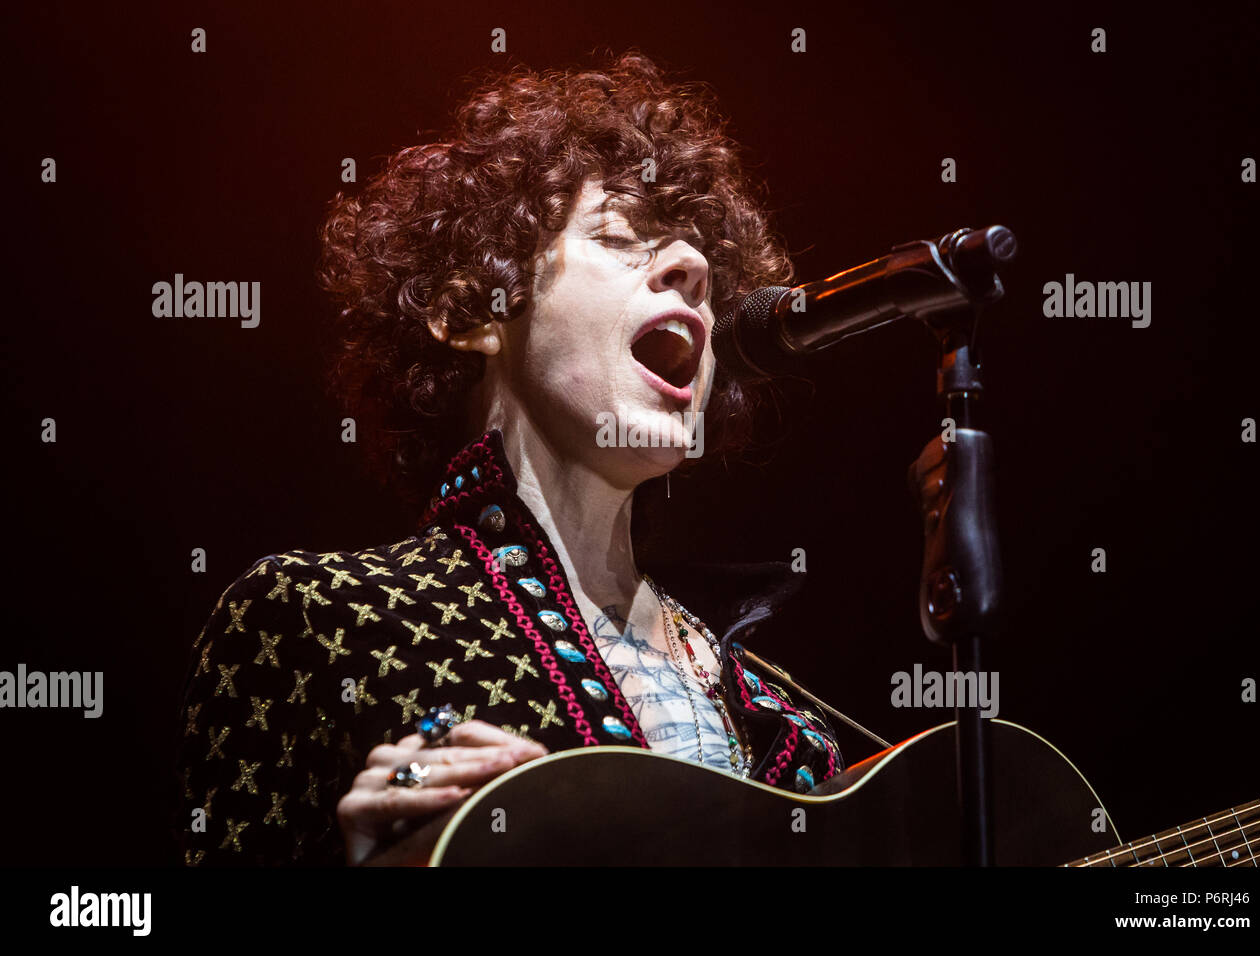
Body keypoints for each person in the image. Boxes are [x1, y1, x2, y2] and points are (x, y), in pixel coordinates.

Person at [175, 50, 845, 866]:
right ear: (469, 310)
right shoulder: (318, 617)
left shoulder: (789, 720)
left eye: (697, 264)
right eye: (620, 237)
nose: (691, 269)